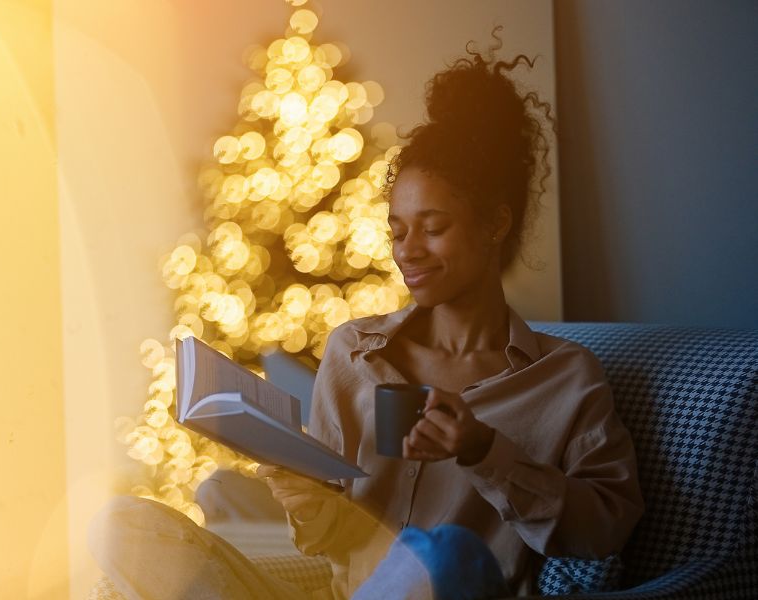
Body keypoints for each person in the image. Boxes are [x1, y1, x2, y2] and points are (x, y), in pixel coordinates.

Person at [90, 34, 643, 600]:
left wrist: (484, 450)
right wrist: (306, 503)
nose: (409, 252)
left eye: (433, 228)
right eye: (398, 232)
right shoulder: (355, 353)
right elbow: (335, 540)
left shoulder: (565, 379)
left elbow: (605, 528)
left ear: (495, 224)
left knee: (444, 553)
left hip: (458, 588)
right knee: (123, 524)